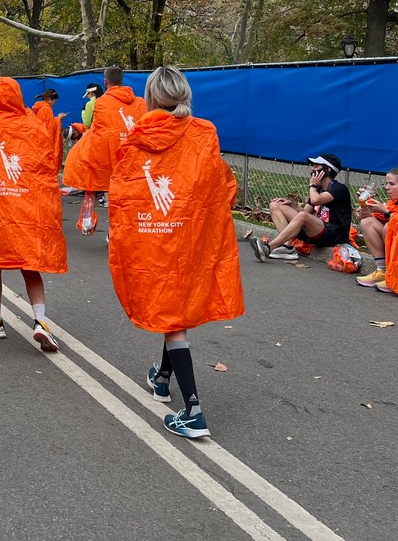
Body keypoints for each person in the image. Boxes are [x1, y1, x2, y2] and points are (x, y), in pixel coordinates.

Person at [108, 66, 244, 439]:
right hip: (190, 238)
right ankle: (162, 378)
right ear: (184, 95)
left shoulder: (136, 140)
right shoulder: (204, 135)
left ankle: (194, 411)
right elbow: (221, 184)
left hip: (154, 240)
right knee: (176, 311)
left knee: (171, 314)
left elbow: (123, 195)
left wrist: (127, 236)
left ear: (151, 98)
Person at [0, 78, 66, 352]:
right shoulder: (34, 125)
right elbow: (45, 169)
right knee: (30, 263)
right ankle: (41, 320)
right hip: (25, 207)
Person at [63, 67, 145, 222]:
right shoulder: (140, 103)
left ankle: (117, 229)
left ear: (105, 82)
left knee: (116, 198)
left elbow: (95, 130)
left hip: (112, 158)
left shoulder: (101, 103)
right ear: (121, 81)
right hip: (134, 158)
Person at [248, 154, 353, 262]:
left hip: (335, 235)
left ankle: (269, 247)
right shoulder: (318, 189)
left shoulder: (339, 189)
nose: (312, 169)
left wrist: (312, 186)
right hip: (316, 230)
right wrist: (293, 205)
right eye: (312, 166)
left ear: (328, 170)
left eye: (316, 166)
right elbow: (305, 212)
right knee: (276, 205)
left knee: (302, 216)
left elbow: (316, 201)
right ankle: (287, 247)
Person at [354, 169, 397, 288]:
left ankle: (395, 276)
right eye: (386, 184)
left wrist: (387, 213)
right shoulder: (391, 203)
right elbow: (363, 217)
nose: (387, 187)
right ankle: (383, 271)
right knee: (367, 222)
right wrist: (364, 204)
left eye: (392, 184)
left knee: (390, 226)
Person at [31, 88, 65, 175]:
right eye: (55, 101)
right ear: (50, 100)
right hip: (45, 143)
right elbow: (50, 128)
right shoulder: (46, 109)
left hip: (38, 141)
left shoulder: (39, 108)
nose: (55, 104)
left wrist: (56, 118)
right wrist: (58, 119)